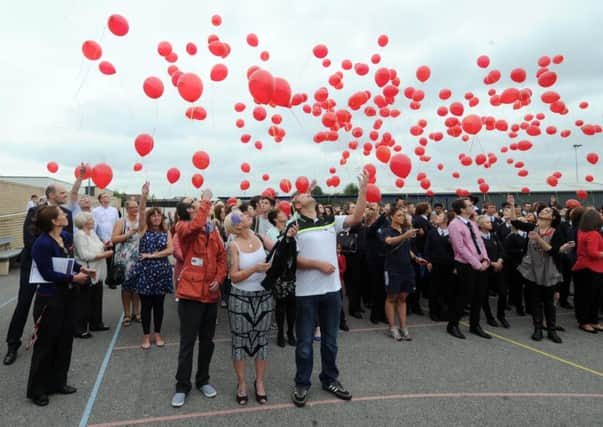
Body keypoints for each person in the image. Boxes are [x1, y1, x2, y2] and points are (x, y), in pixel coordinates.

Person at [290, 171, 368, 408]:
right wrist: (317, 264)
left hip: (332, 291)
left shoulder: (329, 221)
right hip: (306, 294)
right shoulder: (294, 226)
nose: (308, 194)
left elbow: (356, 217)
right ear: (297, 204)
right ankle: (302, 382)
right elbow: (291, 259)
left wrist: (363, 190)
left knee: (331, 341)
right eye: (302, 195)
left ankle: (330, 379)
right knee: (304, 343)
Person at [26, 206, 94, 406]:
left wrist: (80, 268)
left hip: (68, 296)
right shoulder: (41, 244)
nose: (66, 215)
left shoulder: (65, 236)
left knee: (65, 341)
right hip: (50, 299)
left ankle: (58, 382)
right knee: (46, 344)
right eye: (62, 214)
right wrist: (74, 277)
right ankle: (37, 389)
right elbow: (47, 273)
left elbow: (66, 260)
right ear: (55, 221)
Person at [4, 183, 73, 366]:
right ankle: (12, 345)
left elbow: (68, 241)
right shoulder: (34, 212)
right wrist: (46, 255)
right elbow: (29, 239)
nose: (65, 195)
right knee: (24, 304)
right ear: (51, 195)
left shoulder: (67, 215)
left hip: (55, 269)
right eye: (61, 192)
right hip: (32, 266)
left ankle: (45, 342)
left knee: (51, 306)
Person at [171, 189, 227, 408]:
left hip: (210, 295)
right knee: (187, 343)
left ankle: (203, 380)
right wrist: (204, 202)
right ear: (186, 211)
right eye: (191, 203)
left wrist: (220, 278)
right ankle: (181, 386)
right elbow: (195, 226)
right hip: (190, 295)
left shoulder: (212, 230)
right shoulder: (183, 227)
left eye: (197, 202)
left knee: (207, 342)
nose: (196, 204)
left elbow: (221, 256)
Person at [225, 210, 288, 406]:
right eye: (240, 216)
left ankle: (259, 382)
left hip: (264, 297)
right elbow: (232, 276)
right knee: (239, 342)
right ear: (236, 225)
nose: (245, 215)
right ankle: (241, 384)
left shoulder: (261, 237)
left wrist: (289, 237)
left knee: (261, 341)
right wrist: (254, 269)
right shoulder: (233, 245)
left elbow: (280, 252)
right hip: (240, 298)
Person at [126, 182, 173, 349]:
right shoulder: (143, 229)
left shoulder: (166, 232)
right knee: (146, 305)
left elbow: (170, 250)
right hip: (145, 271)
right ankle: (146, 336)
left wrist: (152, 255)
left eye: (159, 215)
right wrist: (144, 195)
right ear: (149, 218)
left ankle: (158, 333)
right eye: (153, 215)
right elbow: (141, 211)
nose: (156, 218)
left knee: (159, 305)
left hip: (161, 271)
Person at [517, 207, 571, 343]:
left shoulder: (555, 232)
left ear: (553, 218)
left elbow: (552, 252)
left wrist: (539, 239)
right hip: (533, 271)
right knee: (535, 302)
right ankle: (538, 329)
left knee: (549, 302)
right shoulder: (532, 227)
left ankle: (551, 330)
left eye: (547, 211)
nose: (543, 212)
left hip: (549, 271)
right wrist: (512, 206)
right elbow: (515, 223)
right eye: (542, 211)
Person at [447, 198, 491, 340]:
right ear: (462, 209)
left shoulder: (472, 223)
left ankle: (475, 325)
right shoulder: (454, 225)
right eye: (470, 205)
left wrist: (485, 258)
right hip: (465, 265)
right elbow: (460, 248)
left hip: (480, 263)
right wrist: (477, 264)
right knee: (464, 296)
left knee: (479, 295)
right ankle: (453, 325)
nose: (473, 207)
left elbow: (480, 242)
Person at [382, 207, 427, 341]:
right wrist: (404, 236)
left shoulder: (406, 230)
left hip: (407, 268)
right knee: (391, 298)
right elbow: (389, 241)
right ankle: (392, 327)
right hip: (392, 269)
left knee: (402, 298)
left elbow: (407, 248)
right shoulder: (386, 230)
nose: (402, 217)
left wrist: (415, 258)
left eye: (403, 215)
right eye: (399, 215)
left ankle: (403, 327)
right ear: (392, 217)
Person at [73, 212, 113, 338]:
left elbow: (99, 246)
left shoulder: (92, 233)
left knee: (96, 298)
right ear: (84, 222)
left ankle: (96, 323)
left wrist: (105, 246)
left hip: (98, 270)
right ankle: (80, 328)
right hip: (87, 270)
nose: (93, 220)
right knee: (84, 301)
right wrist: (104, 255)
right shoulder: (79, 235)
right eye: (90, 219)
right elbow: (84, 255)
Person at [267, 208, 296, 347]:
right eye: (281, 214)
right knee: (281, 304)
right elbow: (274, 251)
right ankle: (280, 333)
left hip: (291, 271)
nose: (285, 214)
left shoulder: (290, 227)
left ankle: (290, 332)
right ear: (275, 219)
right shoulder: (271, 232)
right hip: (279, 273)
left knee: (292, 304)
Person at [571, 208, 603, 333]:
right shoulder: (593, 234)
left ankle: (591, 321)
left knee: (590, 297)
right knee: (589, 298)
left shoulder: (581, 231)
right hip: (590, 268)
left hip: (586, 268)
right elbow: (592, 253)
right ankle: (586, 322)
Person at [112, 198, 142, 327]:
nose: (135, 210)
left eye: (136, 207)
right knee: (126, 287)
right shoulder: (121, 222)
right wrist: (129, 233)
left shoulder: (141, 220)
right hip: (125, 258)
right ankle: (127, 314)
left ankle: (137, 312)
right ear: (126, 209)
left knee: (137, 287)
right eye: (132, 207)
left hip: (139, 257)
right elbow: (113, 239)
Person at [477, 215, 509, 328]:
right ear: (480, 225)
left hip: (497, 269)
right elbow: (478, 255)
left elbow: (501, 250)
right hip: (485, 269)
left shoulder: (494, 236)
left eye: (490, 222)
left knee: (503, 292)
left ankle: (501, 315)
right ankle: (489, 316)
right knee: (484, 294)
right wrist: (492, 263)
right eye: (487, 222)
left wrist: (500, 261)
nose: (490, 224)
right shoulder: (477, 238)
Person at [424, 211, 455, 322]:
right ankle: (434, 312)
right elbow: (427, 249)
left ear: (446, 219)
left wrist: (456, 265)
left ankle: (445, 312)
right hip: (435, 265)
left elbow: (456, 251)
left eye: (440, 215)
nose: (437, 217)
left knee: (447, 289)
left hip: (449, 265)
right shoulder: (432, 233)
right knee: (434, 289)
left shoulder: (452, 233)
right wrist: (428, 262)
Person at [92, 192, 118, 288]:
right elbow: (95, 226)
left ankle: (110, 281)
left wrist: (114, 238)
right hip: (100, 239)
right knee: (99, 259)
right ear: (100, 200)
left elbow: (116, 224)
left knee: (111, 261)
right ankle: (96, 279)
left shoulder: (114, 210)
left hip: (112, 239)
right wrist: (100, 239)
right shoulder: (95, 211)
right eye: (104, 197)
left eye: (107, 196)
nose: (106, 198)